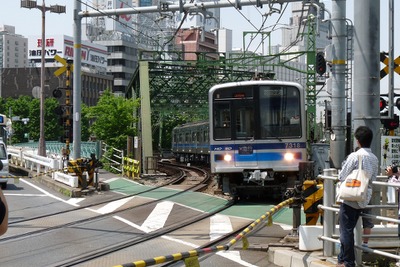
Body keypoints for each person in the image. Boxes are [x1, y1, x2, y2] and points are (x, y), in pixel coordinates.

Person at [337, 126, 379, 267]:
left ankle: (348, 262)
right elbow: (373, 177)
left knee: (346, 231)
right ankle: (342, 259)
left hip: (350, 197)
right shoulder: (374, 158)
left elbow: (342, 175)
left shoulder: (355, 156)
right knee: (349, 229)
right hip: (364, 197)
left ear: (357, 141)